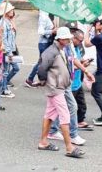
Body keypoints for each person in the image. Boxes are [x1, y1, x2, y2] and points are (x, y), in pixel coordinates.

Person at [36, 27, 85, 159]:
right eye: (67, 39)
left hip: (58, 87)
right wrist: (43, 81)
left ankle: (43, 141)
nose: (69, 40)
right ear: (61, 39)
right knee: (64, 115)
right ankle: (69, 147)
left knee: (50, 114)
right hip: (55, 88)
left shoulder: (61, 49)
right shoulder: (51, 51)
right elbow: (41, 68)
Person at [25, 10, 56, 87]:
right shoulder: (43, 16)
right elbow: (40, 31)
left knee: (45, 62)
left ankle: (41, 79)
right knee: (41, 62)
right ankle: (30, 79)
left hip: (48, 43)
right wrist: (52, 31)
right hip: (44, 44)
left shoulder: (49, 15)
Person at [70, 28, 93, 131]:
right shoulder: (68, 49)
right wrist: (83, 66)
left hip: (78, 82)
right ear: (73, 38)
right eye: (79, 40)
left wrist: (84, 61)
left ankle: (80, 121)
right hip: (70, 83)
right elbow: (70, 66)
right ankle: (68, 125)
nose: (81, 42)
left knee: (82, 104)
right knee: (71, 107)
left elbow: (78, 60)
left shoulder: (77, 48)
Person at [0, 2, 19, 98]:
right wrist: (8, 52)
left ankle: (2, 85)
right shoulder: (3, 23)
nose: (12, 11)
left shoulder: (9, 21)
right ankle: (3, 88)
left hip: (10, 50)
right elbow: (3, 39)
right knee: (6, 70)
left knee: (15, 68)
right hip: (6, 51)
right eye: (10, 10)